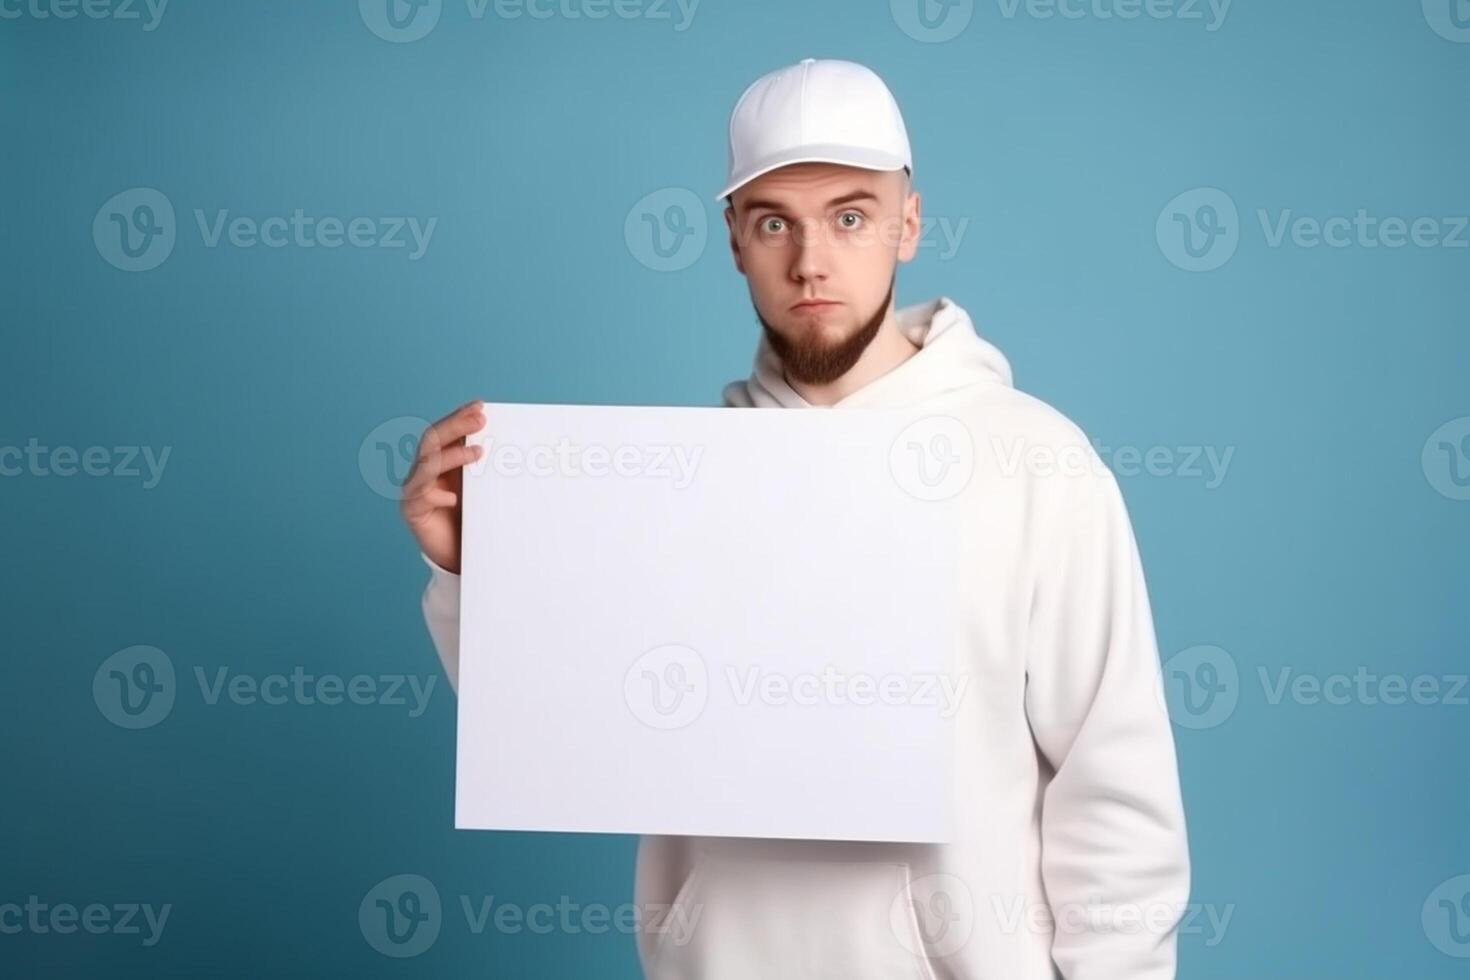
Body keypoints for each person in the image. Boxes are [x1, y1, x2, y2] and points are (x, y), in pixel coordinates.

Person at [400, 57, 1190, 980]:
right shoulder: (667, 486)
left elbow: (1115, 782)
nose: (811, 261)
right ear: (734, 238)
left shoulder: (1038, 465)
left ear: (908, 223)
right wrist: (472, 575)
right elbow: (562, 725)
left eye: (850, 216)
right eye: (775, 222)